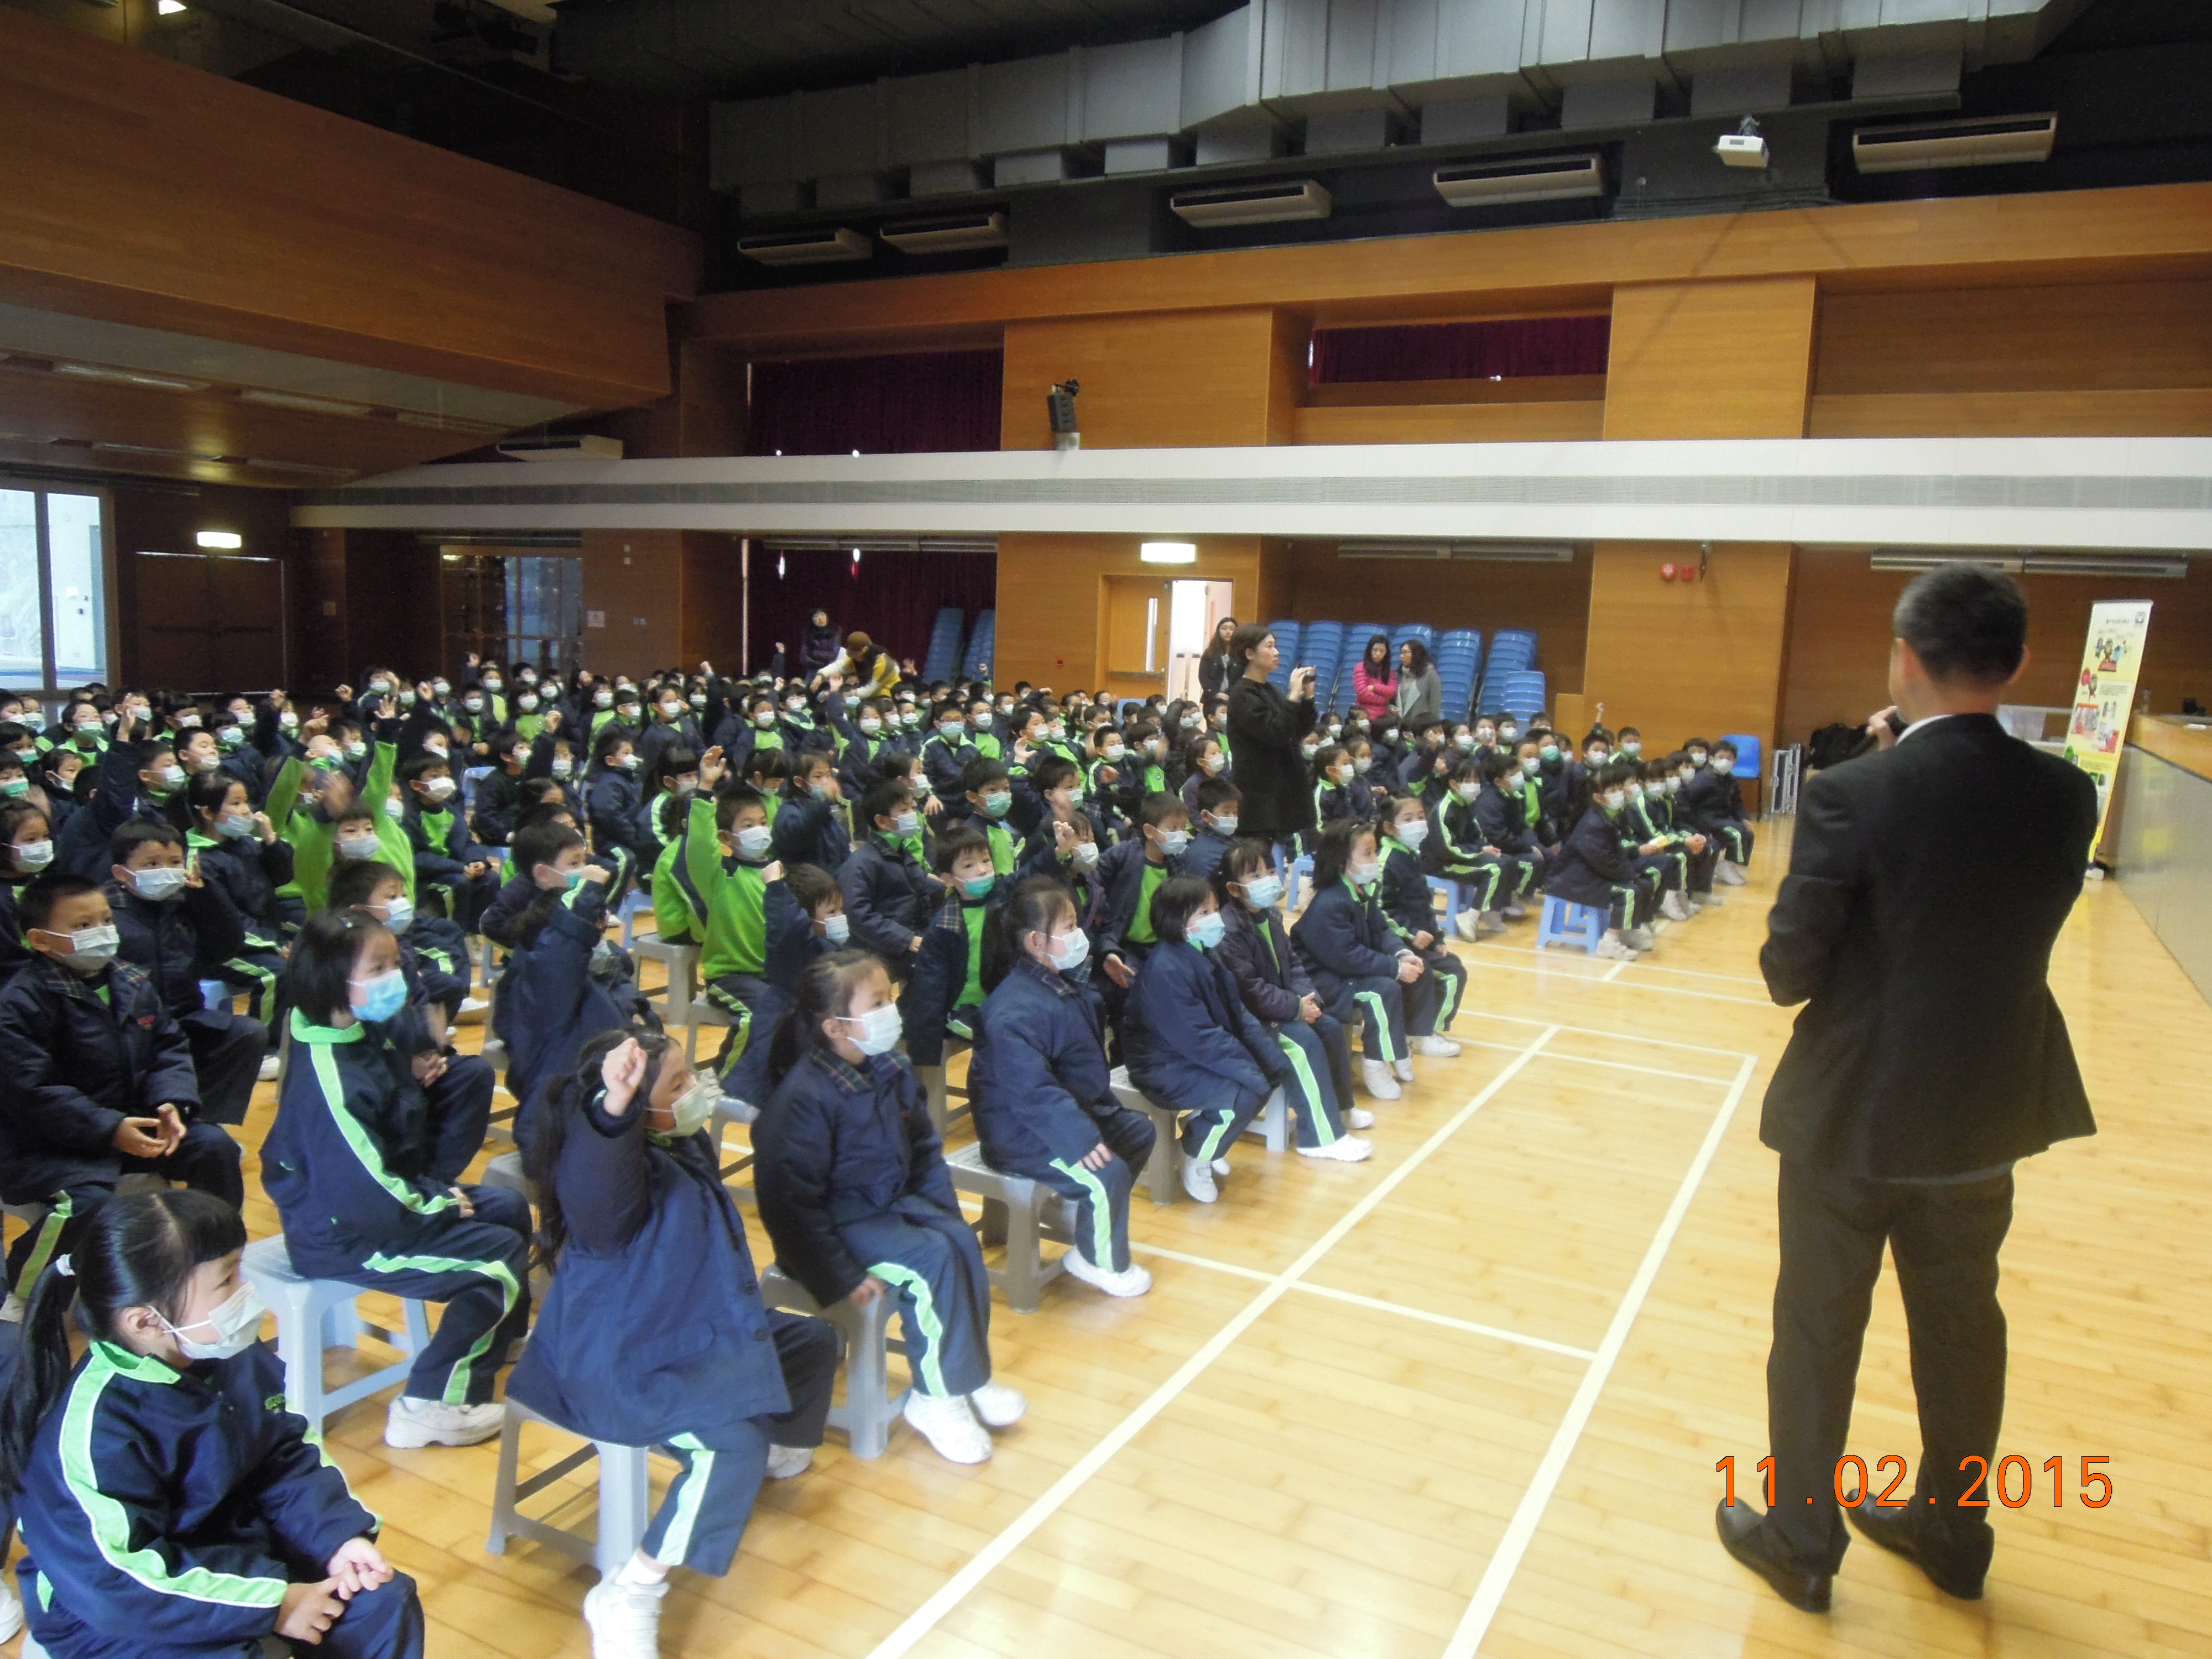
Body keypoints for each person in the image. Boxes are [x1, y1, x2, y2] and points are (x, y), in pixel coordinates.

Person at [1718, 564, 2100, 1615]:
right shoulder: (2071, 793)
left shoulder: (1854, 795)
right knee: (1965, 1328)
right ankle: (1954, 1530)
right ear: (2016, 664)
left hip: (1852, 1116)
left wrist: (1874, 797)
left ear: (1903, 659)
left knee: (1818, 1330)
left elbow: (1787, 970)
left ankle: (1801, 1541)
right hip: (1986, 1112)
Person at [513, 1031, 837, 1659]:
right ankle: (631, 1591)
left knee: (810, 1342)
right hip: (624, 1360)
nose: (696, 1092)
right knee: (729, 1450)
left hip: (686, 1328)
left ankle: (758, 1462)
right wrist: (614, 1105)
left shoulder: (677, 1143)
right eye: (679, 1085)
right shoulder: (611, 1177)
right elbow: (598, 1172)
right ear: (636, 1108)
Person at [0, 1189, 426, 1658]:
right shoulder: (96, 1431)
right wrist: (275, 1603)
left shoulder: (226, 1353)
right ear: (146, 1322)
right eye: (227, 1281)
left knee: (383, 1603)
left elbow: (283, 1453)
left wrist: (337, 1538)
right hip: (117, 1610)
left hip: (228, 1556)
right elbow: (119, 1582)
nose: (246, 1291)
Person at [264, 911, 531, 1451]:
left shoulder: (351, 1022)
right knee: (496, 1259)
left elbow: (395, 1065)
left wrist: (418, 1064)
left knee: (509, 1208)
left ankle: (494, 1340)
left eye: (395, 962)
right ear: (334, 981)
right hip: (343, 1235)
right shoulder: (328, 1082)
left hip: (383, 1204)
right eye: (380, 966)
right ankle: (431, 1402)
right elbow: (366, 1194)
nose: (396, 977)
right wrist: (441, 1205)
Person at [753, 952, 1027, 1465]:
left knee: (960, 1242)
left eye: (890, 997)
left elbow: (923, 1151)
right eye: (877, 1003)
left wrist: (944, 1211)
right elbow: (789, 1208)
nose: (890, 1010)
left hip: (888, 1205)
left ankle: (967, 1376)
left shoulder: (890, 1069)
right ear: (834, 1027)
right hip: (833, 1230)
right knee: (931, 1262)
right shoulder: (804, 1100)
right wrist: (837, 1275)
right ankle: (935, 1398)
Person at [0, 873, 246, 1312]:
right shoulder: (19, 1002)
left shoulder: (131, 980)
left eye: (106, 919)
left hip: (131, 1124)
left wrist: (171, 1103)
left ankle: (211, 1257)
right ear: (40, 939)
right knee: (86, 1199)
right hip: (43, 1146)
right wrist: (110, 1129)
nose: (102, 932)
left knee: (214, 1146)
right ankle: (27, 1290)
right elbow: (31, 1092)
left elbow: (168, 1046)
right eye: (81, 926)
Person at [966, 879, 1155, 1297]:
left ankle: (1082, 1217)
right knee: (1106, 1175)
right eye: (1068, 927)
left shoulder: (1059, 981)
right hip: (1019, 1133)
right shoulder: (1013, 1010)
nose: (1079, 935)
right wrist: (1081, 1139)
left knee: (1139, 1133)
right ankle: (1100, 1261)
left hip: (1066, 1114)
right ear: (1036, 941)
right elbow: (1032, 1093)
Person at [1123, 875, 1290, 1204]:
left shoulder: (1203, 951)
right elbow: (1198, 1037)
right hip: (1162, 1064)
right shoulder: (1167, 968)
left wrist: (1267, 1058)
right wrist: (1248, 1069)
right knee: (1241, 1094)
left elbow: (1238, 1014)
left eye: (1214, 908)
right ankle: (1195, 1154)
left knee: (1266, 1077)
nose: (1215, 917)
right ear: (1177, 921)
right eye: (1204, 912)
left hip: (1191, 1053)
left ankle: (1210, 1141)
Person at [1212, 839, 1371, 1164]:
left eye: (1271, 871)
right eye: (1255, 876)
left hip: (1282, 1009)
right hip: (1251, 1022)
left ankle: (1341, 1109)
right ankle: (1320, 1138)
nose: (1268, 879)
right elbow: (1250, 990)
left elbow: (1293, 962)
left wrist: (1306, 1000)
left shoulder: (1269, 915)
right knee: (1301, 1044)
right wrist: (1296, 1008)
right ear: (1235, 888)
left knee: (1328, 1027)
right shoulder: (1229, 930)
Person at [1290, 820, 1442, 1102]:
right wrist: (1394, 969)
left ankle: (1409, 1041)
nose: (1375, 860)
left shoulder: (1362, 891)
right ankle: (1375, 1063)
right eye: (1367, 854)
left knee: (1421, 969)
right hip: (1324, 978)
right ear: (1341, 861)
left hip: (1347, 969)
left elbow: (1382, 930)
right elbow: (1346, 957)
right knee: (1382, 991)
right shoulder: (1330, 902)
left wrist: (1402, 955)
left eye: (1375, 852)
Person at [1225, 623, 1319, 855]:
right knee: (1262, 855)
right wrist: (1293, 695)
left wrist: (1306, 700)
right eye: (1269, 646)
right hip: (1260, 791)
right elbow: (1275, 733)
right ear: (1250, 654)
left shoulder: (1269, 689)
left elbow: (1295, 731)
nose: (1277, 652)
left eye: (1276, 646)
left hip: (1281, 786)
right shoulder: (1243, 694)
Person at [1547, 764, 1656, 960]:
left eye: (1619, 789)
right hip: (1574, 880)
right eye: (1612, 791)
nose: (1619, 794)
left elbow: (1614, 853)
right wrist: (1630, 874)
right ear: (1599, 798)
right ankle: (1609, 943)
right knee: (1628, 891)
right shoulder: (1593, 824)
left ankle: (1628, 929)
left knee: (1645, 882)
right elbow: (1604, 862)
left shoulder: (1609, 817)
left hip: (1592, 873)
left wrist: (1632, 860)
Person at [1681, 737, 1755, 884]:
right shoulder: (1702, 780)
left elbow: (1737, 803)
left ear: (1734, 762)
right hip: (1707, 819)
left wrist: (1744, 818)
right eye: (1721, 758)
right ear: (1711, 759)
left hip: (1723, 818)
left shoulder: (1731, 780)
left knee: (1748, 832)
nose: (1725, 761)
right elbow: (1689, 803)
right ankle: (1724, 868)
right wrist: (1697, 825)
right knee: (1736, 832)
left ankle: (1729, 864)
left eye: (1729, 758)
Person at [1392, 639, 1442, 732]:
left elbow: (1435, 705)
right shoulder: (1399, 675)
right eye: (1401, 653)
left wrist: (1432, 727)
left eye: (1406, 652)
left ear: (1416, 654)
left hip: (1421, 727)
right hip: (1400, 726)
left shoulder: (1431, 674)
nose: (1402, 656)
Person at [1351, 633, 1398, 722]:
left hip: (1383, 718)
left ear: (1386, 653)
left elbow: (1392, 691)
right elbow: (1362, 694)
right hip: (1364, 716)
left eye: (1382, 651)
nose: (1378, 654)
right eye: (1375, 650)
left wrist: (1375, 688)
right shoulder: (1361, 667)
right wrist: (1384, 700)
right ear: (1370, 651)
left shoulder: (1390, 671)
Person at [1196, 615, 1240, 700]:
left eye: (1232, 629)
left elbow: (1243, 678)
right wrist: (1215, 693)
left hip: (1235, 699)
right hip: (1212, 699)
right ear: (1218, 631)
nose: (1228, 632)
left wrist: (1230, 694)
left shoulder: (1242, 653)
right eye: (1224, 628)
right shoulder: (1210, 652)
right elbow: (1203, 676)